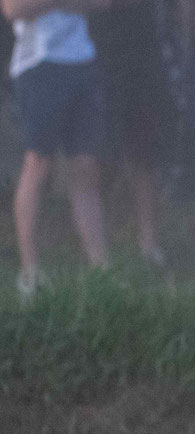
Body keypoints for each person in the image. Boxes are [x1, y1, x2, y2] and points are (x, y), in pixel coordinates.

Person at [6, 0, 110, 295]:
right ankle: (30, 273)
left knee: (86, 167)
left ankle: (101, 271)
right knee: (38, 164)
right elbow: (13, 9)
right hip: (38, 65)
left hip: (82, 61)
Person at [88, 0, 175, 266]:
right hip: (99, 59)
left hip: (143, 59)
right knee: (101, 159)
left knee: (144, 157)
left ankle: (149, 244)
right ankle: (97, 244)